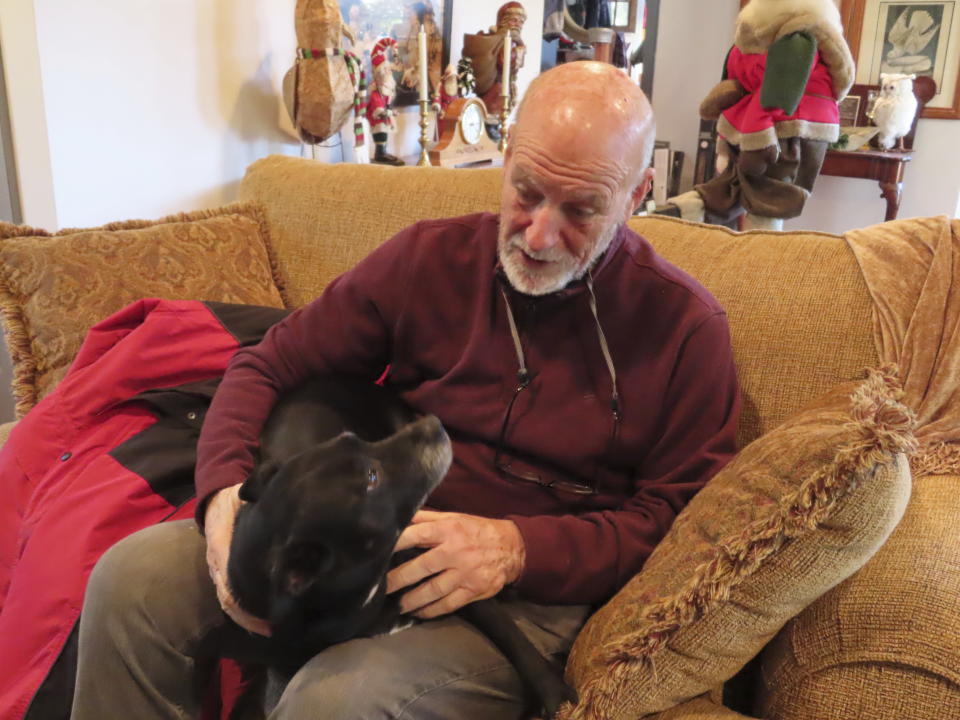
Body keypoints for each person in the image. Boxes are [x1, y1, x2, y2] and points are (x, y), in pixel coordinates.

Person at [71, 61, 740, 719]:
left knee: (336, 701)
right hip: (367, 537)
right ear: (505, 156)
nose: (539, 235)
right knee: (131, 582)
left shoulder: (686, 331)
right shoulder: (429, 260)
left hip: (524, 601)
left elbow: (679, 527)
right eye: (527, 191)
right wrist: (220, 496)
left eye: (582, 210)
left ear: (639, 193)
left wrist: (516, 550)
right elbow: (267, 365)